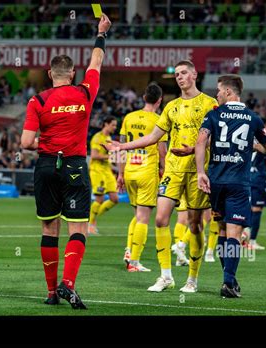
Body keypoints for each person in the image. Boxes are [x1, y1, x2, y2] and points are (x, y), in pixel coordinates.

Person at [20, 14, 111, 309]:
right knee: (78, 228)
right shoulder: (84, 92)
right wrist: (101, 33)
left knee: (49, 229)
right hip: (74, 166)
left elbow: (24, 143)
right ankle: (68, 284)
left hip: (46, 166)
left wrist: (46, 144)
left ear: (50, 74)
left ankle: (49, 292)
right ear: (72, 73)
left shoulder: (38, 100)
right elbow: (95, 62)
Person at [104, 60, 218, 293]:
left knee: (195, 225)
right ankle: (166, 276)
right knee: (160, 219)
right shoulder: (171, 107)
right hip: (174, 170)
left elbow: (217, 139)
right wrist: (122, 147)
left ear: (194, 74)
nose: (179, 77)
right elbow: (153, 137)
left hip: (198, 171)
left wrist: (194, 150)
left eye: (184, 73)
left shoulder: (210, 103)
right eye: (176, 74)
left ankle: (192, 279)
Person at [196, 74, 266, 298]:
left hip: (216, 182)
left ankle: (229, 278)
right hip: (239, 184)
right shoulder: (253, 118)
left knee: (221, 230)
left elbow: (201, 142)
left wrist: (201, 172)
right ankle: (228, 282)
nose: (217, 94)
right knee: (234, 234)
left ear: (229, 92)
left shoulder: (213, 114)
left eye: (219, 90)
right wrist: (251, 144)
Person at [117, 82, 167, 272]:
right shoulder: (159, 120)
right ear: (159, 100)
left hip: (130, 169)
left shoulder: (129, 117)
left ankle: (129, 252)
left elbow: (121, 148)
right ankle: (134, 262)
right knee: (144, 217)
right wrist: (165, 171)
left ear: (144, 98)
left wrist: (120, 173)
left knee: (137, 214)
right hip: (147, 171)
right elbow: (162, 152)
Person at [243, 118, 266, 250]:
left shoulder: (247, 136)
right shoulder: (263, 140)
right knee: (257, 209)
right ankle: (251, 240)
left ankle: (243, 237)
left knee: (247, 209)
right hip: (258, 178)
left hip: (246, 177)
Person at [88, 116, 119, 235]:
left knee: (114, 199)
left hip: (107, 171)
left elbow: (108, 159)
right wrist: (112, 156)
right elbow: (95, 156)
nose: (115, 127)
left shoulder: (108, 138)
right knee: (99, 199)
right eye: (113, 125)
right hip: (97, 171)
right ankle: (90, 224)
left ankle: (91, 218)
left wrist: (115, 168)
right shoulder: (97, 138)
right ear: (106, 124)